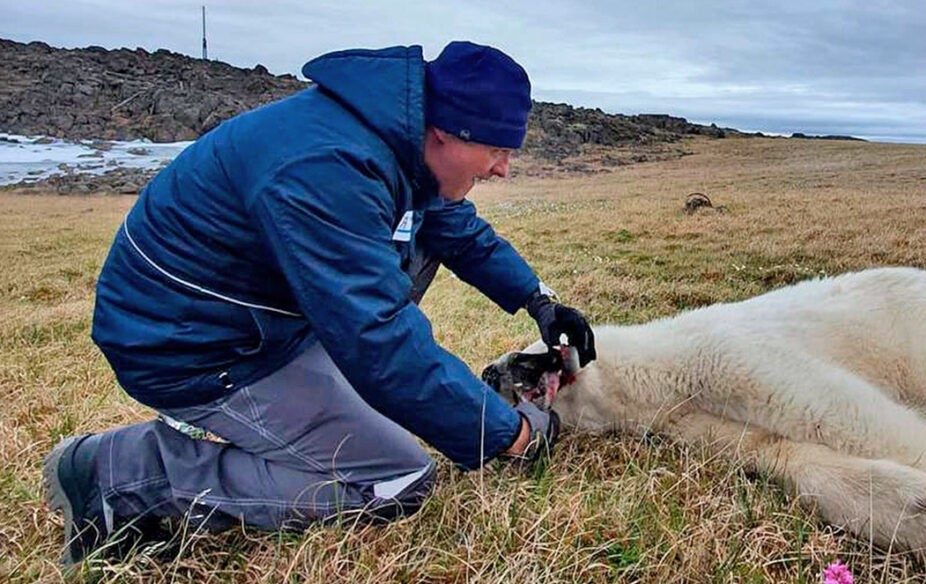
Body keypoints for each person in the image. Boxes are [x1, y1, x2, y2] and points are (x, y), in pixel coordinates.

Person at [41, 40, 597, 566]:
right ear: (447, 131)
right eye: (497, 148)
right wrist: (509, 435)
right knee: (395, 478)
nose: (503, 168)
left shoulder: (396, 145)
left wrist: (541, 302)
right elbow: (377, 338)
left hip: (256, 321)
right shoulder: (328, 167)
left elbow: (454, 230)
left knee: (413, 280)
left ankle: (330, 400)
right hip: (190, 346)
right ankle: (117, 475)